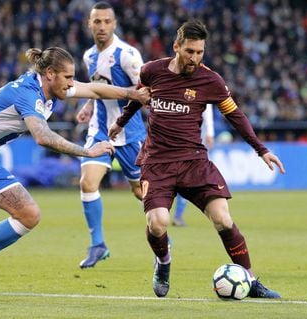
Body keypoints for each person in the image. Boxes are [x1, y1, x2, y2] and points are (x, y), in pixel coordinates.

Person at [0, 46, 149, 299]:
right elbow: (42, 136)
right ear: (50, 73)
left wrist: (131, 94)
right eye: (69, 77)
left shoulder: (51, 86)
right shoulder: (28, 94)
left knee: (28, 214)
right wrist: (88, 152)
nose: (72, 84)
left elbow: (94, 89)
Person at [109, 20, 286, 299]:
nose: (194, 58)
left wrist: (261, 149)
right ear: (176, 47)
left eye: (200, 52)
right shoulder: (151, 71)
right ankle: (164, 262)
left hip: (194, 161)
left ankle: (250, 281)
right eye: (190, 51)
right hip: (157, 161)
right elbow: (137, 97)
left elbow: (235, 116)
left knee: (223, 219)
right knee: (158, 223)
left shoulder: (210, 80)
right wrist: (120, 123)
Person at [75, 2, 146, 268]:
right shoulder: (88, 56)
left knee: (142, 193)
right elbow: (98, 87)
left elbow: (146, 89)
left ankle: (161, 236)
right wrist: (89, 104)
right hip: (99, 131)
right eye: (97, 21)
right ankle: (97, 245)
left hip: (130, 134)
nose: (102, 26)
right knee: (87, 183)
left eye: (106, 21)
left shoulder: (128, 55)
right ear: (89, 24)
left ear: (114, 24)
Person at [172, 104, 215, 227]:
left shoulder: (200, 88)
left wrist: (210, 133)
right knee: (184, 177)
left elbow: (207, 108)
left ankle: (177, 215)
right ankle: (174, 215)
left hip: (193, 138)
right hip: (181, 138)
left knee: (185, 177)